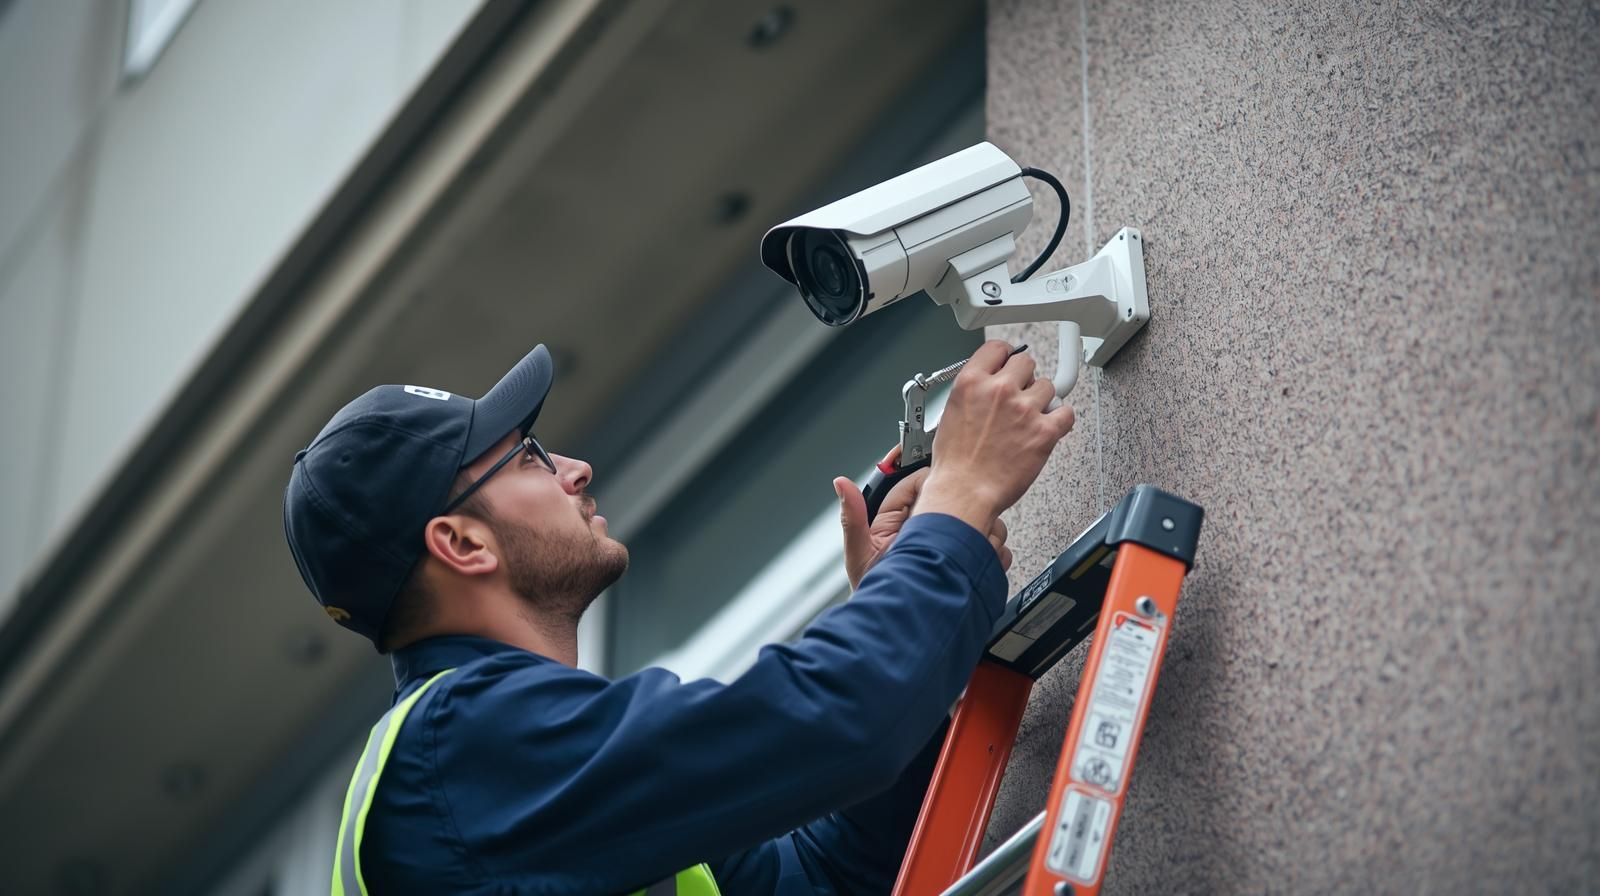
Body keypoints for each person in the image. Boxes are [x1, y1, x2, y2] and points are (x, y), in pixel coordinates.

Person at [283, 339, 1074, 894]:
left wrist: (903, 602)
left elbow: (825, 879)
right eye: (527, 456)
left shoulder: (518, 769)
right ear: (460, 542)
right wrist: (957, 505)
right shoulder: (461, 748)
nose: (574, 468)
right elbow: (837, 722)